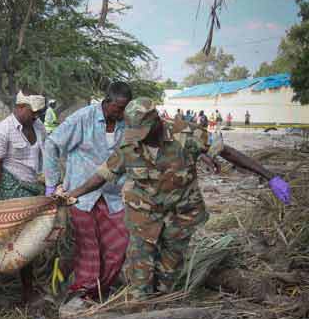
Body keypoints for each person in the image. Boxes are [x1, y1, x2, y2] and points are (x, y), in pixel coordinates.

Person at [66, 97, 291, 300]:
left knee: (168, 275)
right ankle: (139, 306)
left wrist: (270, 177)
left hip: (181, 216)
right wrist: (73, 194)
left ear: (156, 121)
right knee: (140, 275)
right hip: (143, 215)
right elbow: (102, 175)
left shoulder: (186, 133)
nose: (139, 139)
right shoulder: (130, 143)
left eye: (142, 131)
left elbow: (227, 152)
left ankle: (161, 304)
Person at [44, 82, 132, 306]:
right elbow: (51, 144)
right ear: (107, 101)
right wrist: (52, 185)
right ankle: (80, 294)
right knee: (88, 249)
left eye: (125, 108)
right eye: (118, 108)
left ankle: (99, 290)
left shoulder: (126, 124)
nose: (121, 113)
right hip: (80, 196)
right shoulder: (83, 118)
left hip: (111, 196)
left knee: (119, 245)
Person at [0, 89, 46, 302]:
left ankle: (27, 289)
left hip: (32, 190)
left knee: (28, 241)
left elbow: (46, 157)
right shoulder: (3, 130)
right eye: (32, 111)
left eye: (38, 112)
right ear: (19, 107)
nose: (35, 115)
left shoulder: (39, 127)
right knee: (6, 242)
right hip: (9, 191)